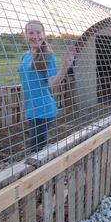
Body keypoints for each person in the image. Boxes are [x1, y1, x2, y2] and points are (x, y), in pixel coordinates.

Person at [17, 20, 76, 153]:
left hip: (43, 111)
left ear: (44, 35)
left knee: (35, 150)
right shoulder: (24, 56)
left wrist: (65, 67)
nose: (35, 36)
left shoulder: (47, 55)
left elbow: (51, 83)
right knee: (37, 148)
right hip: (31, 110)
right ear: (25, 35)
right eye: (31, 32)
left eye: (38, 32)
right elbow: (25, 86)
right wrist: (23, 110)